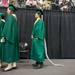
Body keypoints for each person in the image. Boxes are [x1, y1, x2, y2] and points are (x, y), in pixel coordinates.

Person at [0, 4, 19, 71]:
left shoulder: (10, 17)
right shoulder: (14, 17)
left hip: (9, 37)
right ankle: (14, 64)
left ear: (10, 10)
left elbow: (8, 28)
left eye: (7, 9)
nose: (6, 10)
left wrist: (5, 36)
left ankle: (9, 65)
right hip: (13, 37)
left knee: (9, 51)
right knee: (13, 50)